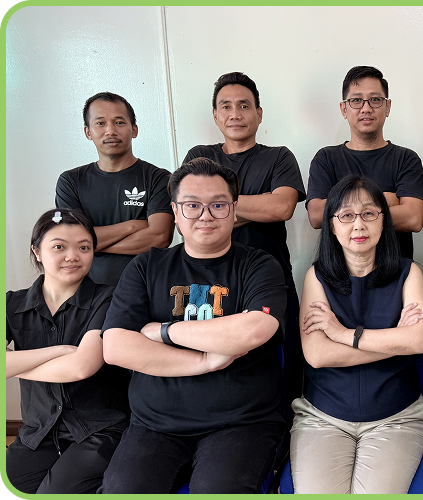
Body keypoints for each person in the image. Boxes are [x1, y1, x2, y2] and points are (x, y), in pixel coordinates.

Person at [99, 158, 289, 494]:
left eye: (218, 205)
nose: (205, 215)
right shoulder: (146, 267)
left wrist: (164, 331)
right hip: (155, 425)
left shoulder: (259, 264)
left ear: (233, 210)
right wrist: (204, 361)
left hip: (242, 422)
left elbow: (255, 329)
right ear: (175, 211)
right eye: (192, 205)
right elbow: (116, 347)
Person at [291, 175, 423, 493]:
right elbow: (317, 355)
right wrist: (395, 340)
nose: (359, 225)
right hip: (323, 417)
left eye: (369, 213)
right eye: (346, 215)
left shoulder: (409, 272)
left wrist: (343, 335)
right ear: (332, 225)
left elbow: (420, 341)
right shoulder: (317, 276)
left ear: (383, 221)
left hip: (396, 417)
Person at [182, 71, 305, 419]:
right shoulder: (200, 155)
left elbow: (281, 207)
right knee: (209, 361)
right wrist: (254, 206)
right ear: (215, 115)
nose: (235, 114)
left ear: (259, 113)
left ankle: (280, 433)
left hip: (270, 279)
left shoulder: (278, 157)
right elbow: (189, 214)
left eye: (244, 106)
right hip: (206, 279)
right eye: (226, 106)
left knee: (283, 366)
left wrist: (216, 207)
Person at [5, 209, 130, 494]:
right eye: (59, 247)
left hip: (101, 430)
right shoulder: (11, 304)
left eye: (84, 248)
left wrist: (13, 366)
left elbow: (80, 367)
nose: (72, 256)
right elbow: (71, 360)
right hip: (38, 433)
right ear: (37, 252)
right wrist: (58, 351)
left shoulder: (109, 299)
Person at [306, 66, 423, 259]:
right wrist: (387, 199)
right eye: (356, 100)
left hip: (395, 270)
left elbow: (413, 218)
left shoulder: (406, 159)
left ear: (387, 107)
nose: (366, 108)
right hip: (338, 272)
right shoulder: (326, 158)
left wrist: (343, 210)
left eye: (375, 100)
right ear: (344, 109)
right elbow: (316, 216)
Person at [55, 92, 174, 286]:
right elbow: (71, 240)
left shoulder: (159, 178)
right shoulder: (71, 181)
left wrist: (90, 245)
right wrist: (132, 226)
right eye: (100, 123)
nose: (110, 131)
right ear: (88, 132)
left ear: (134, 130)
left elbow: (160, 237)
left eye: (119, 122)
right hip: (88, 293)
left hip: (147, 289)